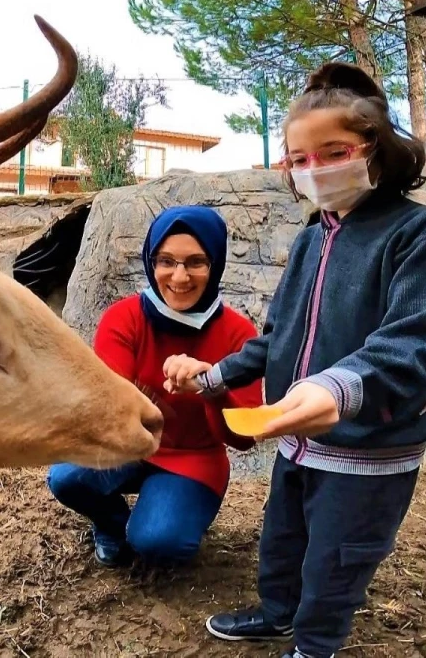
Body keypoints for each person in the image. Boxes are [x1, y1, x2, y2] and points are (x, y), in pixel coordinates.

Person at [163, 62, 426, 658]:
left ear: (374, 149)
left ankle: (315, 644)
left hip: (368, 444)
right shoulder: (311, 237)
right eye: (299, 159)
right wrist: (216, 376)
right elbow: (278, 336)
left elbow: (416, 340)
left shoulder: (423, 233)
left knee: (337, 557)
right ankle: (279, 614)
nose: (314, 171)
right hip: (298, 436)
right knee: (283, 539)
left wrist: (340, 387)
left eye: (332, 153)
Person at [46, 206, 264, 568]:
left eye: (196, 262)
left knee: (159, 543)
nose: (180, 276)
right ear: (151, 261)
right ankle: (112, 523)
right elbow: (110, 407)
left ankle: (167, 513)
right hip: (132, 445)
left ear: (216, 264)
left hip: (194, 459)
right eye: (166, 261)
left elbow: (242, 438)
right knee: (67, 476)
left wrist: (212, 386)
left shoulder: (239, 334)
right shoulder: (124, 317)